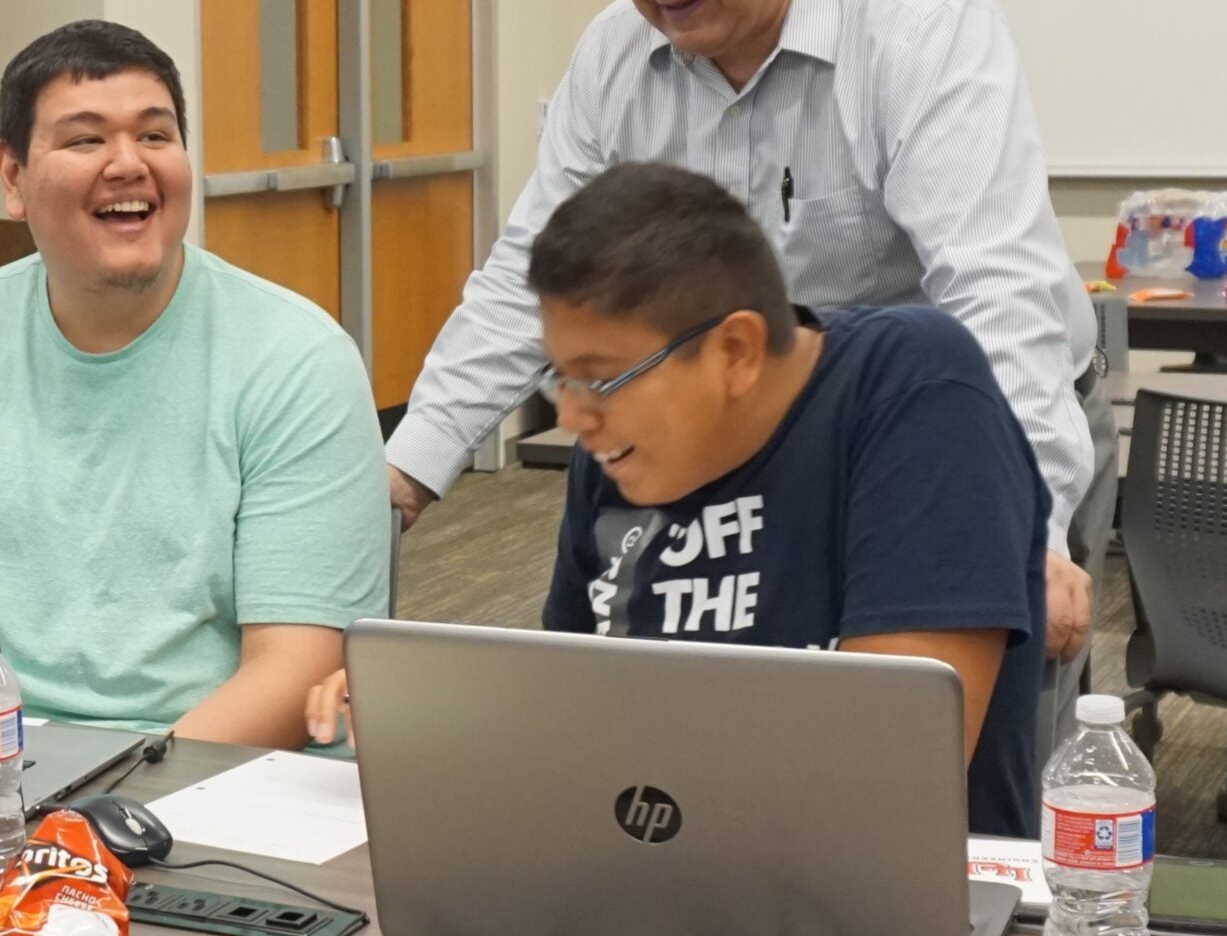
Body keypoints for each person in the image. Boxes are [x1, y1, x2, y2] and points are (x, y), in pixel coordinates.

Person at [384, 0, 1113, 757]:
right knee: (742, 727)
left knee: (958, 746)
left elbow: (993, 291)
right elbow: (532, 271)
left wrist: (1030, 521)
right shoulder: (614, 59)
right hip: (746, 423)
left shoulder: (917, 19)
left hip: (951, 422)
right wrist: (404, 473)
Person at [314, 163, 1047, 836]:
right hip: (646, 866)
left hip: (878, 905)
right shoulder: (621, 450)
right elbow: (572, 698)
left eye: (599, 380)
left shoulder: (916, 393)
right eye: (562, 380)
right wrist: (446, 713)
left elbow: (889, 774)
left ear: (735, 352)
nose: (573, 417)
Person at [0, 19, 389, 748]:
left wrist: (102, 812)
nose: (128, 163)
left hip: (211, 780)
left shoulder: (296, 358)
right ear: (12, 177)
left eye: (156, 136)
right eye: (86, 139)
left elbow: (295, 673)